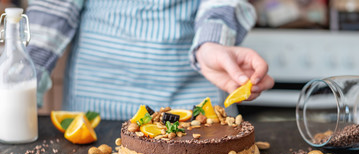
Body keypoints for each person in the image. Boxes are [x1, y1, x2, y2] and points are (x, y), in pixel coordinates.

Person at [26, 0, 274, 120]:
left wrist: (211, 43)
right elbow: (53, 8)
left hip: (193, 98)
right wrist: (23, 77)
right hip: (97, 102)